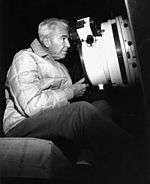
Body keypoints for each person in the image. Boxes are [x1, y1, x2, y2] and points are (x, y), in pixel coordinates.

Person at [3, 18, 136, 183]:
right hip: (20, 125)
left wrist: (77, 89)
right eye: (63, 38)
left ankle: (85, 163)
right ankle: (137, 158)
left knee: (101, 106)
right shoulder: (24, 58)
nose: (68, 44)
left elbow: (61, 103)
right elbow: (31, 106)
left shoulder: (60, 66)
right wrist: (70, 92)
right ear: (46, 41)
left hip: (45, 119)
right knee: (81, 112)